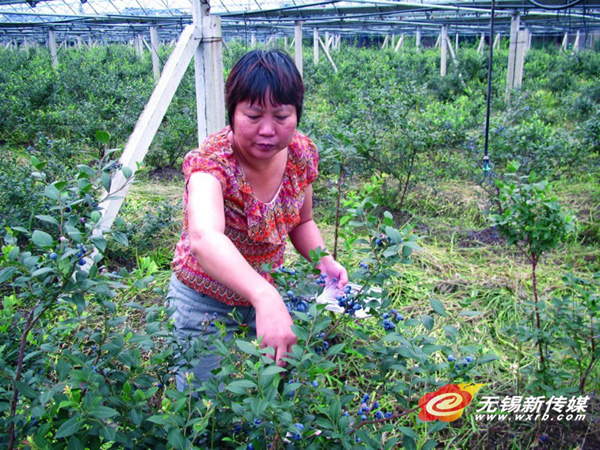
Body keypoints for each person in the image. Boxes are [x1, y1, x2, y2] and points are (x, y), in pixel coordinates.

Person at [167, 49, 348, 390]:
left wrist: (322, 260)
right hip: (204, 299)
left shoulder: (299, 153)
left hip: (267, 290)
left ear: (297, 115)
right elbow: (205, 238)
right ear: (232, 113)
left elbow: (302, 221)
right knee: (200, 402)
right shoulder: (212, 164)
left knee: (275, 394)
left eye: (281, 116)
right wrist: (266, 297)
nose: (268, 130)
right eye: (253, 115)